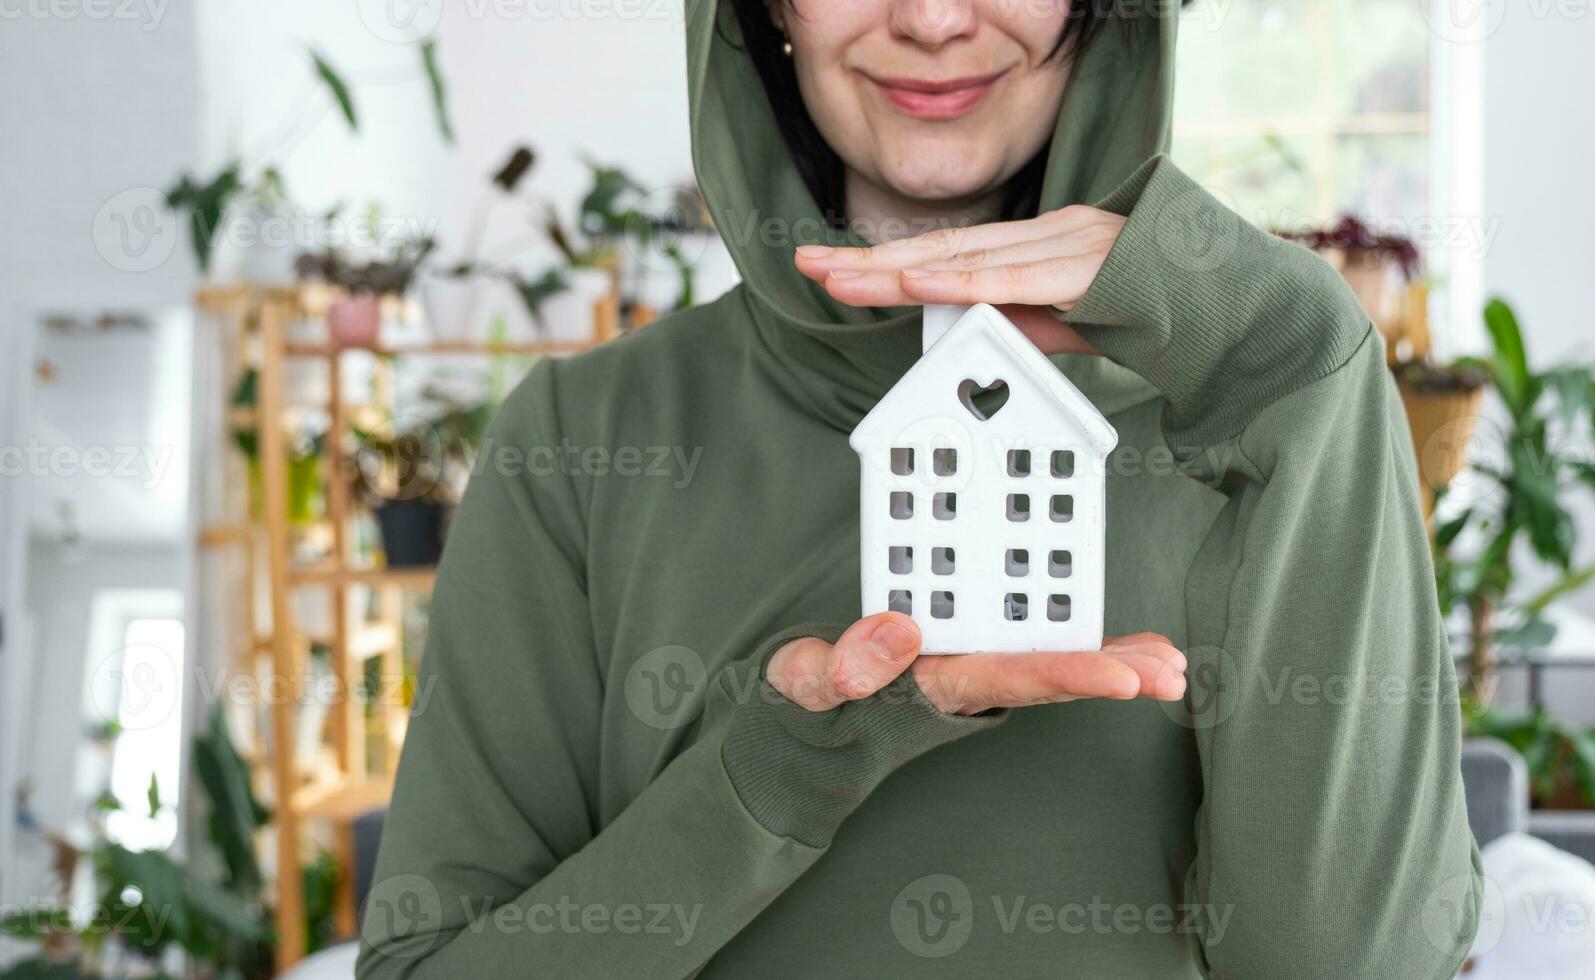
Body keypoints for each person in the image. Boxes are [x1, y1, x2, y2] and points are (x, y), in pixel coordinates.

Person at [358, 1, 1483, 976]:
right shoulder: (582, 439)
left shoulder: (1260, 399)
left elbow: (1354, 960)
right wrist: (772, 775)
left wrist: (1299, 367)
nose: (934, 22)